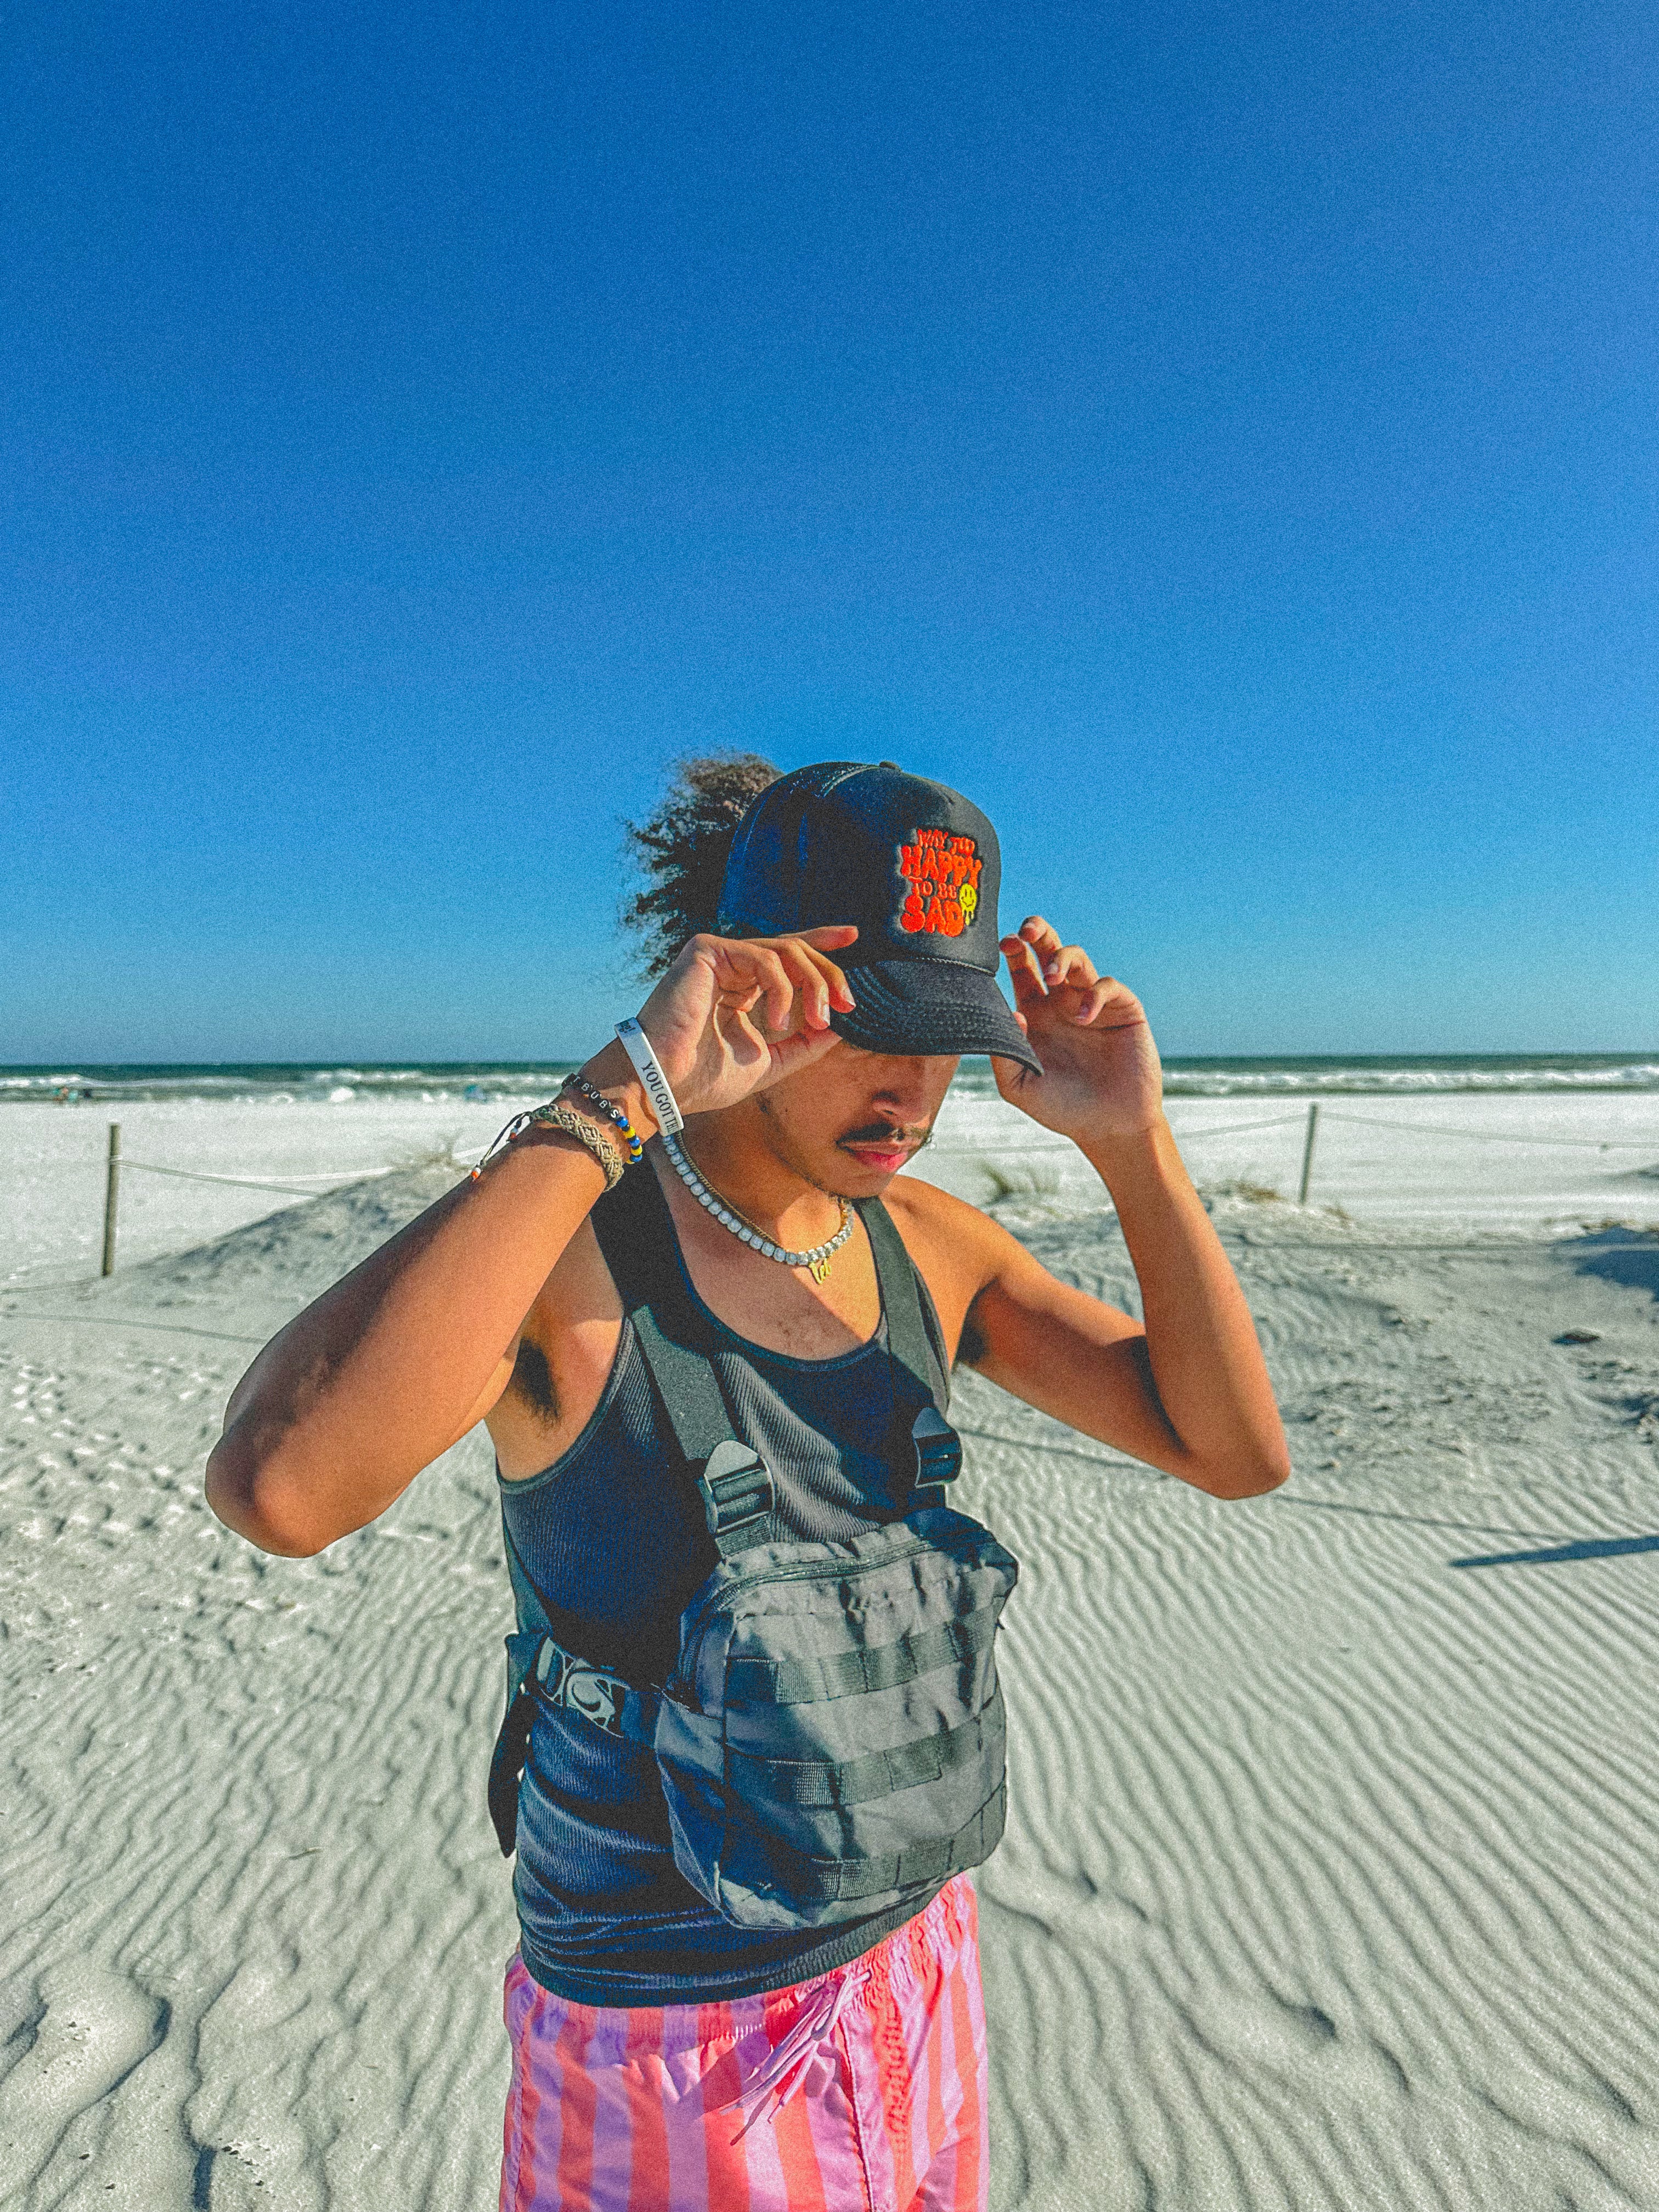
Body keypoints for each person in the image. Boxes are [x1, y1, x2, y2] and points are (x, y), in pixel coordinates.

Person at [207, 759, 1289, 2212]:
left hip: (918, 1968)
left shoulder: (929, 1248)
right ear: (743, 987)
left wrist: (1133, 1145)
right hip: (671, 2042)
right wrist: (622, 1092)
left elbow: (1232, 1449)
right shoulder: (579, 1266)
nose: (909, 1084)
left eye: (945, 1036)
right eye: (869, 1026)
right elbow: (283, 1487)